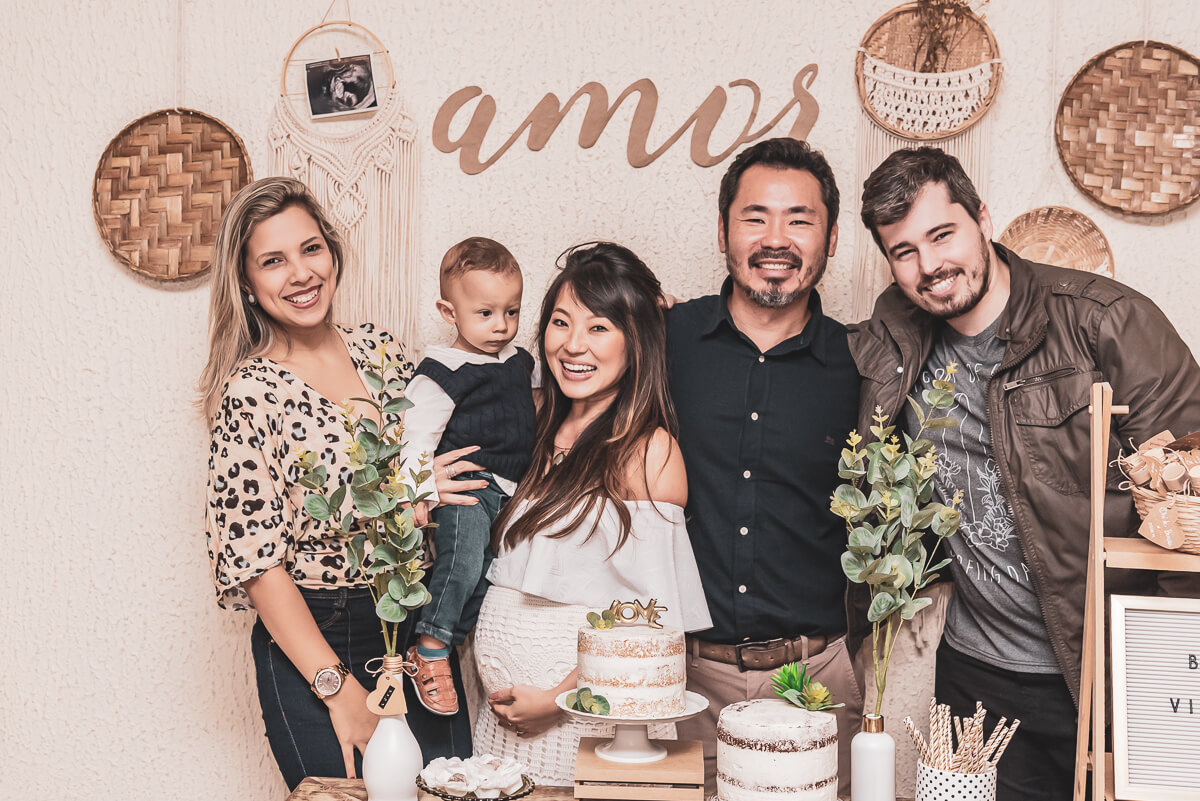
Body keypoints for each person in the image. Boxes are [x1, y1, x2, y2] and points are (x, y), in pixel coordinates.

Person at [851, 146, 1200, 801]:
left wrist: (1171, 683)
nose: (930, 267)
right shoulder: (897, 336)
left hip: (1103, 675)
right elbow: (810, 354)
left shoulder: (1108, 323)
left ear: (983, 218)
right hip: (972, 678)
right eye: (904, 252)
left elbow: (1194, 499)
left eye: (942, 234)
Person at [199, 177, 476, 789]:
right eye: (273, 261)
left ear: (332, 253)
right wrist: (338, 690)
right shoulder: (250, 393)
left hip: (413, 624)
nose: (300, 273)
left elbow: (439, 457)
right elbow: (255, 562)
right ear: (246, 282)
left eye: (311, 249)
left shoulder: (382, 352)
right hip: (315, 636)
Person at [465, 242, 712, 786]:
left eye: (600, 327)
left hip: (589, 729)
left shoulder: (648, 453)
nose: (573, 345)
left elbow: (653, 628)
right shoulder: (530, 425)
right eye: (560, 322)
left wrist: (560, 698)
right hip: (498, 731)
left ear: (636, 341)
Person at [667, 137, 863, 796]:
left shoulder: (865, 365)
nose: (776, 238)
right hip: (684, 681)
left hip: (819, 678)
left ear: (831, 237)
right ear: (722, 230)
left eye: (799, 219)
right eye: (756, 217)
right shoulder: (665, 340)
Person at [400, 237, 536, 716]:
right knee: (459, 563)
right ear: (448, 311)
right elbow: (415, 435)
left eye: (512, 312)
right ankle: (432, 646)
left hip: (511, 494)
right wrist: (415, 492)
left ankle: (441, 644)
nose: (501, 326)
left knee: (490, 576)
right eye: (485, 313)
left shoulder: (518, 363)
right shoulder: (443, 372)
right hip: (468, 491)